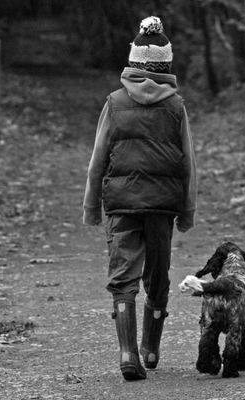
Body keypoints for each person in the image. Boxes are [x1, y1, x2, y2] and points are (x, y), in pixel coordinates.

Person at [82, 16, 197, 381]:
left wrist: (91, 207)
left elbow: (98, 158)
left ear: (133, 61)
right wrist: (187, 211)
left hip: (121, 202)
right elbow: (189, 162)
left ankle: (127, 351)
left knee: (123, 275)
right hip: (162, 206)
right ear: (166, 64)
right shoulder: (176, 106)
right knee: (158, 275)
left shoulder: (115, 103)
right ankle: (150, 347)